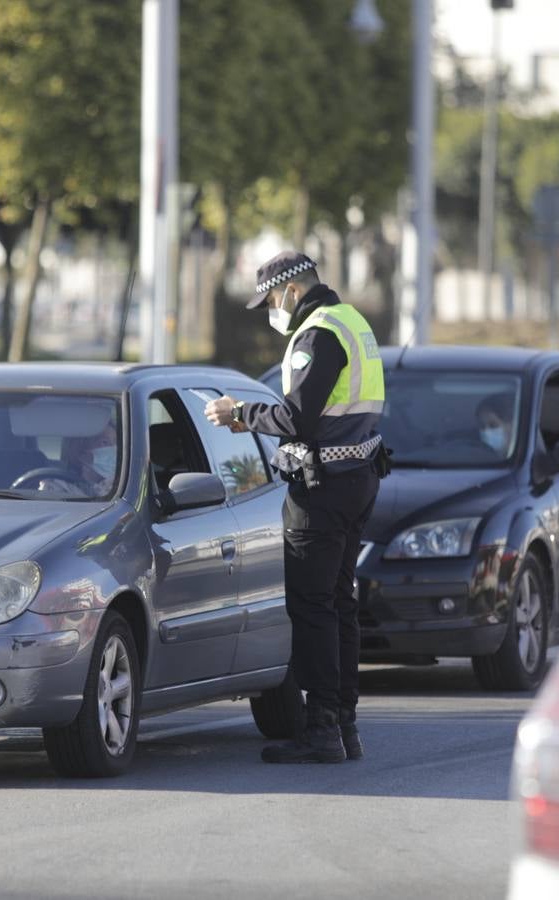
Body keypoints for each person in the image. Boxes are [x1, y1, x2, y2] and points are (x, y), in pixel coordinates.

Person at [203, 250, 386, 764]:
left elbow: (301, 418)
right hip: (357, 477)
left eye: (270, 302)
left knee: (312, 607)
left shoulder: (318, 333)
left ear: (291, 291)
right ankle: (344, 724)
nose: (270, 313)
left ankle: (323, 727)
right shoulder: (352, 321)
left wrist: (239, 411)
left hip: (324, 486)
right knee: (338, 604)